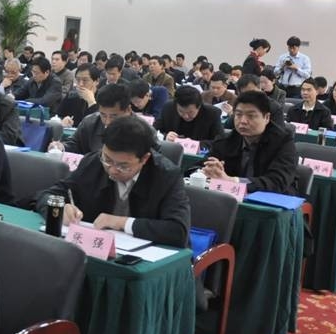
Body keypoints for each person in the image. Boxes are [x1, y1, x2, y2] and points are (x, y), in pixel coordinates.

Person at [35, 116, 189, 246]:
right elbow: (46, 195)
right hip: (95, 249)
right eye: (107, 160)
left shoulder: (166, 175)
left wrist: (122, 223)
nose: (112, 170)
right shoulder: (93, 163)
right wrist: (60, 209)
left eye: (123, 166)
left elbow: (178, 231)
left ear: (144, 158)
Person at [203, 90, 298, 195]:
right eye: (238, 114)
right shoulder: (226, 140)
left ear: (266, 118)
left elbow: (277, 181)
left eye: (251, 116)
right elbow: (198, 167)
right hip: (229, 198)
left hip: (272, 200)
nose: (243, 121)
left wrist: (233, 181)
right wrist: (209, 170)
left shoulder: (283, 142)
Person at [51, 83, 133, 155]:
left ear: (128, 110)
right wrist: (62, 147)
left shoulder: (138, 130)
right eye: (103, 115)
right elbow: (75, 143)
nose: (108, 122)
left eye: (114, 116)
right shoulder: (90, 122)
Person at [156, 86, 225, 143]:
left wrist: (194, 144)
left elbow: (220, 141)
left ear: (199, 106)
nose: (186, 116)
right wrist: (165, 137)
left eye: (190, 112)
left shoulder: (212, 113)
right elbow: (155, 131)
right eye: (181, 111)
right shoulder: (168, 108)